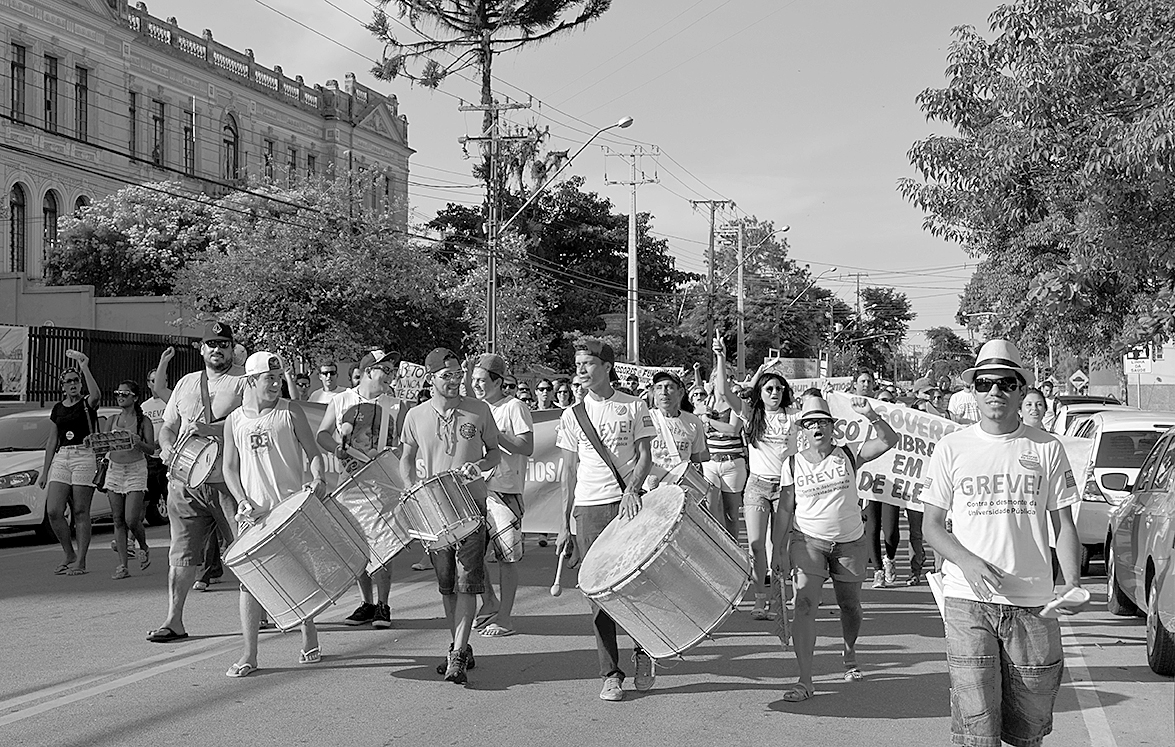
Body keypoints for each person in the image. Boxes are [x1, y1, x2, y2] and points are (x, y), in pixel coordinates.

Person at [922, 339, 1082, 747]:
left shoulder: (1047, 448)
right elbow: (933, 526)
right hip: (967, 601)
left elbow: (1063, 523)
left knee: (1028, 730)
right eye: (985, 383)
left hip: (1032, 603)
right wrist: (968, 562)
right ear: (973, 391)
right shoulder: (951, 447)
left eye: (1006, 383)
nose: (995, 391)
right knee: (978, 729)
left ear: (1020, 391)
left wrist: (1070, 583)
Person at [778, 394, 899, 702]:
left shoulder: (847, 454)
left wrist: (871, 415)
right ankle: (805, 680)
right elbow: (784, 509)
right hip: (808, 541)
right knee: (803, 605)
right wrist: (778, 550)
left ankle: (849, 652)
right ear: (802, 430)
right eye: (810, 423)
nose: (816, 427)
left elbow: (888, 439)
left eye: (822, 422)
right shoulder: (791, 463)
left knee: (850, 606)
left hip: (850, 543)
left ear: (833, 428)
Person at [555, 339, 656, 702]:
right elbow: (568, 472)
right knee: (597, 594)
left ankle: (645, 651)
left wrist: (632, 489)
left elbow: (644, 456)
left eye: (587, 363)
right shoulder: (572, 414)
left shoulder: (634, 405)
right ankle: (610, 673)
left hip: (626, 504)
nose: (580, 369)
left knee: (637, 585)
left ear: (607, 367)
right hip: (589, 508)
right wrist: (564, 524)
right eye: (577, 363)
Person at [221, 352, 329, 677]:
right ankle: (249, 654)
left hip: (291, 508)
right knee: (249, 583)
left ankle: (308, 631)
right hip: (254, 516)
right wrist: (241, 500)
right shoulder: (234, 421)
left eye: (279, 377)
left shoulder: (290, 411)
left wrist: (318, 478)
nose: (276, 383)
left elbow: (313, 453)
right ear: (251, 381)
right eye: (269, 378)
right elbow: (229, 467)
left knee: (298, 573)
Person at [400, 347, 501, 684]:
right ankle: (459, 644)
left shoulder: (479, 409)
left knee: (468, 583)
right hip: (433, 509)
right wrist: (408, 486)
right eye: (447, 375)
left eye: (459, 374)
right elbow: (406, 457)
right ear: (431, 379)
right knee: (447, 587)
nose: (456, 380)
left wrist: (480, 466)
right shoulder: (415, 415)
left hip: (471, 505)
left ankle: (457, 654)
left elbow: (494, 454)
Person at [149, 321, 246, 643]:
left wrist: (212, 431)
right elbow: (168, 426)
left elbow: (252, 425)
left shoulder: (245, 381)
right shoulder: (187, 383)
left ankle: (258, 614)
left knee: (245, 549)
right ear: (201, 349)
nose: (217, 349)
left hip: (230, 482)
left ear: (232, 348)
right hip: (185, 483)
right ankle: (173, 620)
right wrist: (165, 447)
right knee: (181, 553)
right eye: (211, 344)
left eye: (223, 344)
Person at [316, 349, 407, 629]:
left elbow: (405, 442)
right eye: (385, 369)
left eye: (392, 369)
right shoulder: (341, 400)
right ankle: (366, 602)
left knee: (384, 543)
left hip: (384, 483)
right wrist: (338, 450)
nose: (390, 374)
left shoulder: (397, 404)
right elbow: (322, 434)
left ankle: (383, 605)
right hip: (351, 483)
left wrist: (393, 453)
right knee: (357, 542)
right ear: (368, 371)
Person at [714, 337, 799, 620]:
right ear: (760, 393)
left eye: (779, 388)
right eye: (769, 389)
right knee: (755, 545)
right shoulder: (752, 415)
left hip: (785, 489)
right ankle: (760, 599)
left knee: (779, 548)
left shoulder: (793, 417)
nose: (775, 392)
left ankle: (777, 598)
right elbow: (724, 392)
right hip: (757, 486)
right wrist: (722, 359)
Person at [470, 353, 534, 638]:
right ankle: (489, 602)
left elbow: (526, 445)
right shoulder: (473, 409)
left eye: (482, 380)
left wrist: (495, 435)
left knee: (507, 557)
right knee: (472, 554)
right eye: (473, 380)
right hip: (476, 489)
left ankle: (505, 617)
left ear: (498, 381)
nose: (476, 386)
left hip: (505, 490)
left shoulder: (514, 407)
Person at [39, 350, 101, 576]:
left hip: (84, 456)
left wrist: (84, 366)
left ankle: (81, 561)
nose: (73, 384)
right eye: (69, 381)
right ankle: (69, 553)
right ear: (62, 386)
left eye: (76, 381)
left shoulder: (86, 403)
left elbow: (96, 394)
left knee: (80, 510)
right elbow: (52, 441)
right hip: (63, 457)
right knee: (54, 510)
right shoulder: (57, 408)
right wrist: (45, 472)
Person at [853, 369, 902, 588]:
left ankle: (889, 559)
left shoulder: (895, 416)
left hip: (892, 477)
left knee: (890, 530)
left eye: (869, 381)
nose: (865, 384)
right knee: (871, 526)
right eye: (862, 381)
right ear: (855, 384)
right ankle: (878, 571)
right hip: (867, 477)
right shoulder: (850, 409)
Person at [104, 380, 155, 579]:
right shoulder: (111, 420)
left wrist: (138, 442)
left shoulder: (144, 421)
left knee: (131, 519)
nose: (120, 396)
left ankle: (143, 545)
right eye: (118, 393)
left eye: (125, 393)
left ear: (134, 397)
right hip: (115, 469)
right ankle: (123, 565)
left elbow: (151, 449)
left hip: (135, 469)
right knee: (117, 519)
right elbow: (103, 445)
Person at [645, 371, 709, 490]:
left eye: (669, 387)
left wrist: (700, 488)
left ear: (680, 393)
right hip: (650, 489)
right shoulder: (645, 419)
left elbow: (696, 460)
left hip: (682, 488)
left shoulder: (693, 422)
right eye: (659, 387)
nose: (664, 392)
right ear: (654, 393)